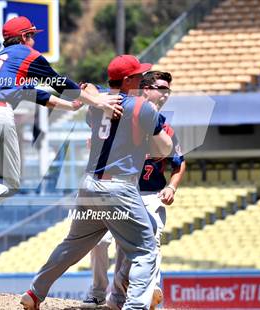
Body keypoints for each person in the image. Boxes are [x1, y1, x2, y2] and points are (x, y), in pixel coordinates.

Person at [0, 16, 123, 262]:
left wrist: (71, 106)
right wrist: (97, 101)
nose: (34, 41)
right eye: (32, 35)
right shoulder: (26, 54)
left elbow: (34, 94)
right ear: (23, 37)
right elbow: (58, 82)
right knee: (10, 183)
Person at [20, 55, 173, 310]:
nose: (142, 80)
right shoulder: (141, 107)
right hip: (119, 188)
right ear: (126, 81)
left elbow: (85, 88)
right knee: (146, 250)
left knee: (72, 245)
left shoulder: (97, 103)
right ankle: (134, 307)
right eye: (137, 76)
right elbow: (166, 148)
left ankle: (34, 293)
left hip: (91, 185)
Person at [81, 71, 186, 310]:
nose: (165, 93)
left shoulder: (164, 128)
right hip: (116, 189)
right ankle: (98, 291)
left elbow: (179, 162)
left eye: (168, 89)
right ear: (145, 88)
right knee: (99, 243)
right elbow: (88, 87)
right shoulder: (122, 112)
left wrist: (172, 186)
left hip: (150, 194)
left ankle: (145, 291)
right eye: (160, 87)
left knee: (149, 240)